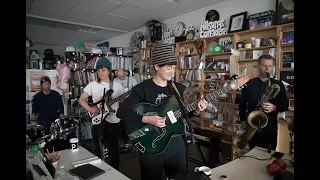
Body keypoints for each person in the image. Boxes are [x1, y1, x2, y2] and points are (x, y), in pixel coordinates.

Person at [116, 44, 208, 180]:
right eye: (168, 67)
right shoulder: (142, 89)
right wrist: (146, 119)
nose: (172, 71)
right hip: (151, 145)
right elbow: (121, 113)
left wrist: (195, 109)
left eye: (173, 67)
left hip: (176, 143)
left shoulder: (178, 88)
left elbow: (182, 115)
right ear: (157, 66)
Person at [79, 57, 124, 170]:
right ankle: (100, 171)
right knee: (98, 148)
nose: (100, 73)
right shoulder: (93, 84)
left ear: (109, 71)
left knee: (114, 149)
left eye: (103, 70)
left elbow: (124, 103)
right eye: (98, 70)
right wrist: (90, 109)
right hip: (98, 119)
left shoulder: (117, 86)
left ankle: (115, 172)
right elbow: (81, 99)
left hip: (114, 121)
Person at [239, 54, 288, 150]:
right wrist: (243, 120)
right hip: (252, 126)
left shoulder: (278, 84)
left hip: (270, 128)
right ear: (258, 66)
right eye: (264, 66)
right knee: (252, 154)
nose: (267, 69)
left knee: (269, 156)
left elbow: (285, 105)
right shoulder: (248, 84)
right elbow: (242, 104)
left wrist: (274, 107)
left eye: (270, 66)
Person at [114, 68, 138, 151]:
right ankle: (122, 140)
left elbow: (136, 91)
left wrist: (129, 98)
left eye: (119, 71)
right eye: (117, 73)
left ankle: (129, 140)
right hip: (119, 104)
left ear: (124, 72)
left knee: (129, 121)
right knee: (120, 121)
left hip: (130, 104)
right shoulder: (115, 80)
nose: (120, 77)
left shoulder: (131, 79)